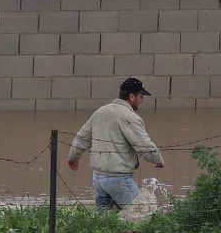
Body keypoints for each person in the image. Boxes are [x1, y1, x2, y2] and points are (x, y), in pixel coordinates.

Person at [67, 77, 164, 211]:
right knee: (143, 214)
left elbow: (81, 138)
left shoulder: (100, 112)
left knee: (105, 223)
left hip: (98, 178)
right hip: (119, 179)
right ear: (131, 96)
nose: (142, 100)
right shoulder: (130, 117)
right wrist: (158, 159)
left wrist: (73, 157)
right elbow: (144, 146)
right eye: (141, 96)